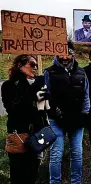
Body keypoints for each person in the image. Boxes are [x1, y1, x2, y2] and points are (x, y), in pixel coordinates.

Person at [44, 42, 90, 184]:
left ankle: (76, 182)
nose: (64, 57)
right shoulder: (48, 72)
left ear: (72, 54)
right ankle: (54, 182)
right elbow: (44, 95)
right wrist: (53, 112)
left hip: (77, 120)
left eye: (68, 53)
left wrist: (84, 114)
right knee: (56, 154)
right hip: (56, 120)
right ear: (56, 54)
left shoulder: (81, 72)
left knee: (77, 153)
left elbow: (86, 95)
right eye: (61, 53)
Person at [1, 54, 46, 184]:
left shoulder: (37, 84)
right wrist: (33, 89)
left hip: (36, 135)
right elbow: (14, 109)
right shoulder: (8, 85)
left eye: (36, 65)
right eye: (32, 64)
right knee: (18, 174)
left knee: (32, 174)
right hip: (18, 134)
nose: (35, 68)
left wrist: (46, 96)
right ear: (20, 66)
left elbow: (43, 110)